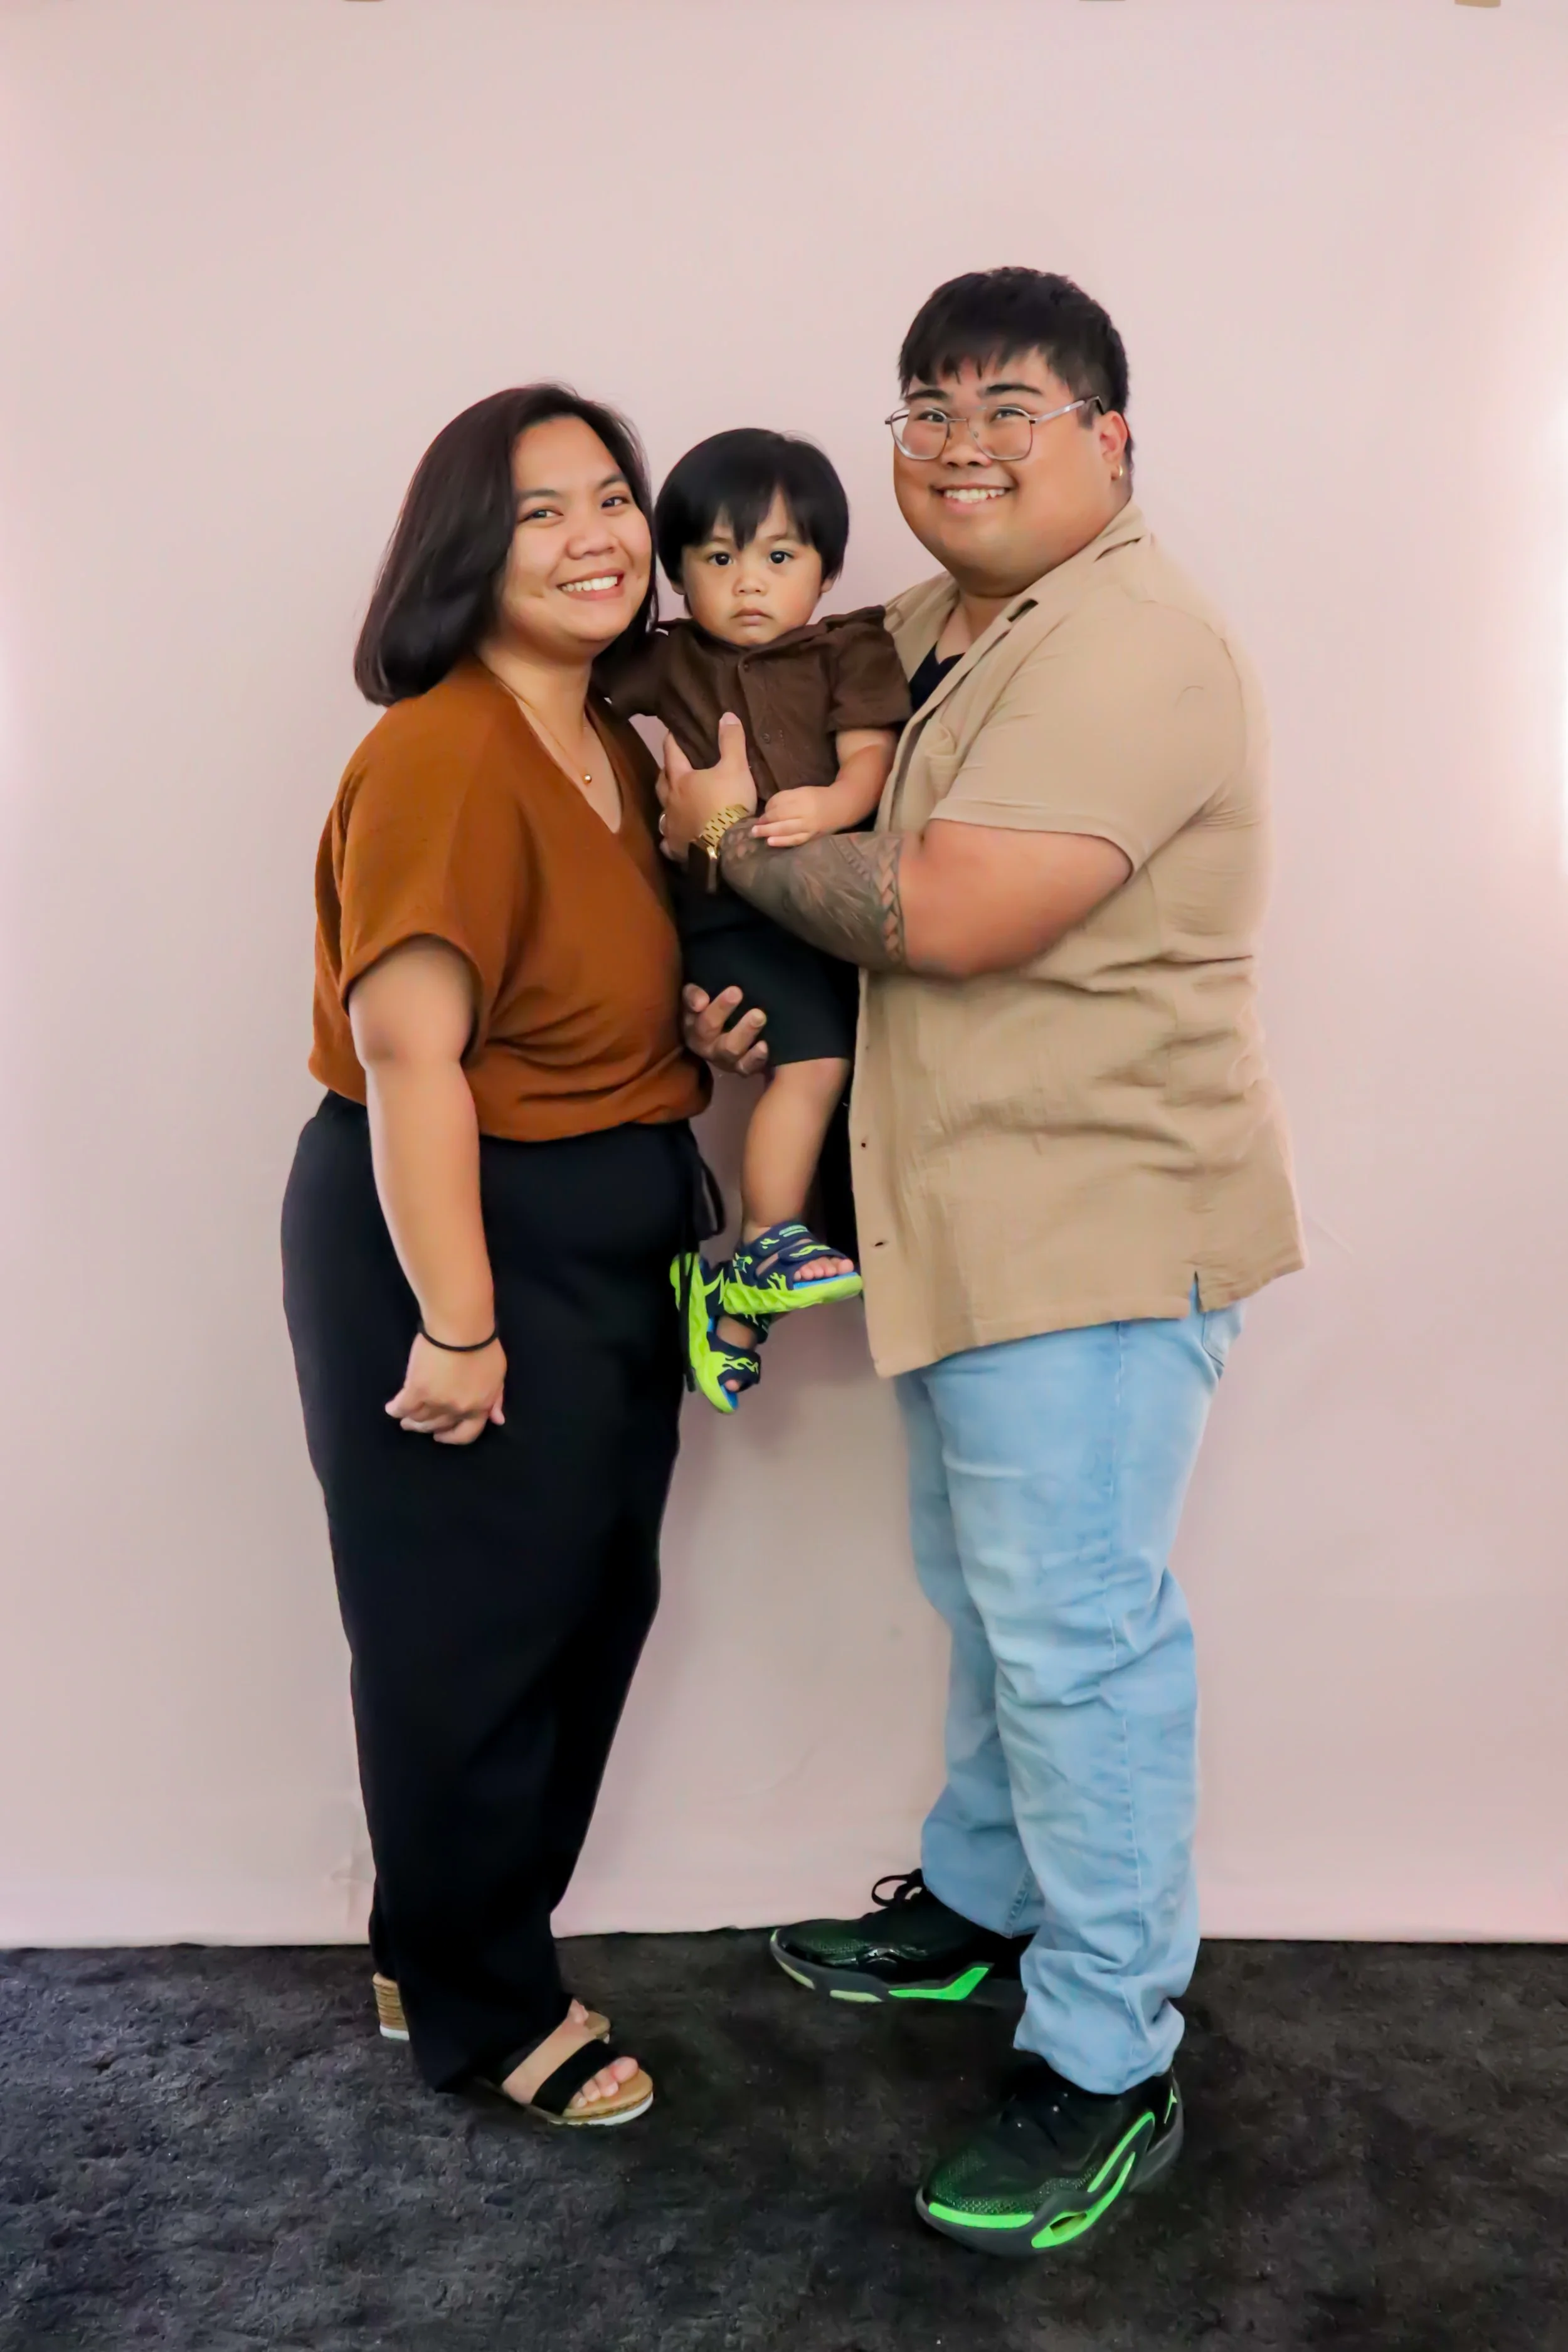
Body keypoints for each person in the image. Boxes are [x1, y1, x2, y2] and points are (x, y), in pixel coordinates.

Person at [663, 268, 1305, 2255]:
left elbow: (941, 909)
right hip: (964, 1217)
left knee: (1074, 1634)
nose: (957, 442)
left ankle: (1107, 2054)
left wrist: (723, 844)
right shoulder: (941, 623)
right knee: (989, 1592)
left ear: (1110, 441)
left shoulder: (1137, 643)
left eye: (1008, 406)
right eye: (925, 406)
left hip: (1092, 1223)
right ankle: (980, 1900)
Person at [282, 384, 714, 2129]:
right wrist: (459, 1320)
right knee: (467, 1636)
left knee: (582, 1608)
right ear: (466, 549)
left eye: (612, 497)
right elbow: (411, 1057)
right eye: (542, 512)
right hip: (457, 1229)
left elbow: (576, 988)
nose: (597, 536)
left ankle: (444, 1940)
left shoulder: (611, 743)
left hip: (606, 1226)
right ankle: (487, 2001)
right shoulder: (443, 750)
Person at [605, 429, 909, 1411]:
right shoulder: (671, 662)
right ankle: (767, 1242)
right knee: (813, 1068)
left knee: (834, 1069)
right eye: (718, 558)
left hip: (823, 912)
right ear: (677, 573)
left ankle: (733, 1315)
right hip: (726, 914)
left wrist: (832, 804)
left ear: (826, 569)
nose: (748, 583)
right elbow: (575, 678)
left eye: (780, 556)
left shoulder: (851, 648)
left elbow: (871, 758)